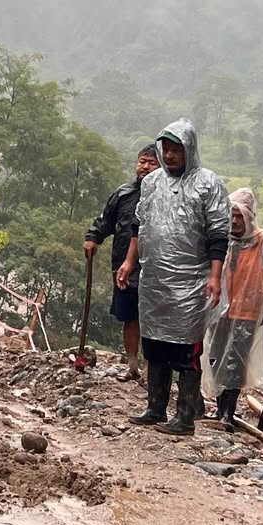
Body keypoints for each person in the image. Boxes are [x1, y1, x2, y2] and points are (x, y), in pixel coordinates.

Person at [118, 119, 229, 438]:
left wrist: (215, 276)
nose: (169, 155)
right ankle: (155, 408)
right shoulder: (152, 182)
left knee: (185, 352)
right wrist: (129, 262)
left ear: (189, 150)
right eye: (165, 149)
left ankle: (184, 418)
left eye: (176, 150)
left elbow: (218, 234)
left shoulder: (208, 183)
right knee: (155, 345)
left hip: (191, 282)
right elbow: (140, 224)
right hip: (155, 281)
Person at [209, 187, 263, 429]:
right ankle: (218, 408)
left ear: (249, 217)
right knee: (215, 358)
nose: (235, 221)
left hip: (247, 313)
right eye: (231, 215)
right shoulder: (222, 240)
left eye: (240, 216)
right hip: (218, 310)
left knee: (235, 363)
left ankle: (227, 413)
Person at [86, 145, 158, 378]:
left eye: (152, 163)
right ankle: (132, 365)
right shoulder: (124, 194)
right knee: (129, 317)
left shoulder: (166, 196)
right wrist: (93, 238)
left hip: (155, 267)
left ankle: (151, 370)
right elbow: (106, 221)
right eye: (142, 161)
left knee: (152, 319)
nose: (145, 167)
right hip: (123, 267)